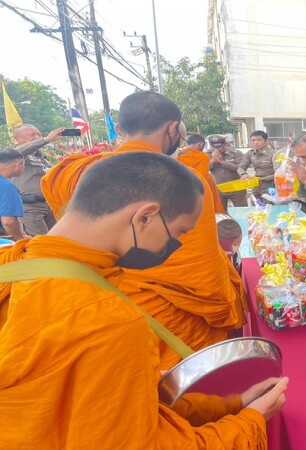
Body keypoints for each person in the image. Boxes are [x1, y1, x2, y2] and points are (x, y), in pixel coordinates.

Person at [0, 152, 288, 448]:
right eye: (178, 233)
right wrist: (250, 420)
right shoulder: (105, 319)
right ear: (145, 216)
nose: (173, 248)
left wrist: (231, 403)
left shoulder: (10, 264)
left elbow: (112, 400)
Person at [39, 91, 246, 369]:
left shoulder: (73, 172)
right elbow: (200, 271)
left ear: (121, 129)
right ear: (173, 129)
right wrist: (228, 309)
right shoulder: (179, 181)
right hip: (170, 318)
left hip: (89, 306)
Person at [11, 124, 65, 235]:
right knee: (41, 243)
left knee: (56, 239)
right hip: (30, 207)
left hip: (48, 204)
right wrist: (46, 139)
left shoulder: (41, 156)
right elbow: (18, 152)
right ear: (18, 139)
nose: (37, 137)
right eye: (32, 135)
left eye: (39, 134)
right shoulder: (15, 155)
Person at [178, 133, 225, 213]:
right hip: (200, 191)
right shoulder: (202, 157)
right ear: (200, 144)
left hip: (182, 190)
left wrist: (212, 160)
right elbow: (204, 178)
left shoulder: (177, 155)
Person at [209, 135, 247, 211]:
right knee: (221, 213)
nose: (217, 149)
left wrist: (222, 161)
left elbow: (240, 168)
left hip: (236, 189)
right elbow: (205, 168)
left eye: (220, 147)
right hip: (219, 189)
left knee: (241, 212)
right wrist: (213, 160)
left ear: (225, 145)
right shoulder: (208, 154)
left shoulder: (236, 153)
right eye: (214, 147)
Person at [239, 130, 277, 199]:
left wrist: (263, 178)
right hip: (256, 187)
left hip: (270, 188)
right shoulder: (250, 153)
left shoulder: (274, 154)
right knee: (256, 208)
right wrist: (243, 174)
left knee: (269, 208)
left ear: (266, 141)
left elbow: (280, 173)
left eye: (259, 140)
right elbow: (241, 167)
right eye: (253, 140)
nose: (255, 143)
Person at [0, 150, 26, 241]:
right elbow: (8, 222)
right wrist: (21, 239)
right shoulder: (6, 187)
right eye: (24, 165)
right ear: (19, 164)